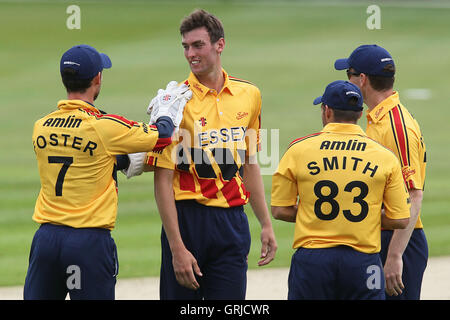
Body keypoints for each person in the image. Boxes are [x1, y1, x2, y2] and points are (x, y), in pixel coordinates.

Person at [24, 44, 191, 300]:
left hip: (46, 241)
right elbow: (162, 136)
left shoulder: (41, 127)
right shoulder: (104, 126)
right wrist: (166, 110)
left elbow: (89, 159)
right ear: (96, 79)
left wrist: (122, 161)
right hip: (88, 242)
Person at [141, 9, 277, 300]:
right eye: (186, 47)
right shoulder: (174, 103)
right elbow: (162, 180)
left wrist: (265, 223)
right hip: (188, 221)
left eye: (198, 45)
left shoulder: (249, 95)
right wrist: (177, 248)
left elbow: (249, 164)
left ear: (220, 45)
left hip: (232, 222)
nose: (190, 53)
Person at [271, 80, 411, 300]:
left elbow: (280, 210)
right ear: (360, 113)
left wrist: (317, 215)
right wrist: (364, 218)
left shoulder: (298, 150)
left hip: (312, 261)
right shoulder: (384, 156)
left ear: (327, 111)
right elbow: (402, 218)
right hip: (363, 261)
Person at [335, 44, 428, 299]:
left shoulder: (396, 126)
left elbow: (414, 195)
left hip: (398, 242)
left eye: (349, 75)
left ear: (362, 79)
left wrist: (395, 256)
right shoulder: (378, 118)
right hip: (382, 237)